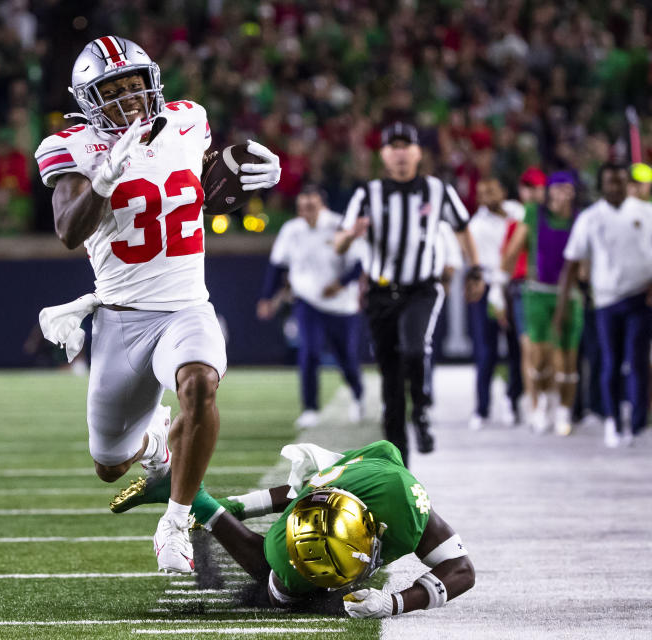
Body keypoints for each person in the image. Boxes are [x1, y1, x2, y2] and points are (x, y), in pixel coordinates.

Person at [34, 36, 281, 574]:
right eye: (113, 91)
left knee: (200, 383)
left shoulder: (188, 120)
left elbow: (206, 179)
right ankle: (153, 448)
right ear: (89, 99)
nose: (130, 100)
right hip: (121, 321)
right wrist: (100, 184)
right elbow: (67, 231)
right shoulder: (71, 148)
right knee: (109, 464)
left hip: (186, 307)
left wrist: (253, 173)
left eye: (134, 86)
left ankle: (175, 520)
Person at [113, 440, 474, 618]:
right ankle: (200, 499)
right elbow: (299, 490)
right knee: (281, 590)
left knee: (293, 582)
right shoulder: (316, 497)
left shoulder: (407, 515)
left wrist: (395, 603)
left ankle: (193, 495)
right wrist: (239, 505)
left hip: (376, 472)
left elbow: (462, 571)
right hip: (345, 481)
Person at [334, 122, 484, 465]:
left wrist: (475, 269)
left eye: (406, 146)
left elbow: (462, 229)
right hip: (381, 291)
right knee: (389, 373)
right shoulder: (367, 193)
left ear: (418, 153)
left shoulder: (437, 190)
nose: (400, 152)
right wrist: (352, 235)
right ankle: (400, 459)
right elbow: (339, 242)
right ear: (384, 154)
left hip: (422, 287)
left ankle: (423, 407)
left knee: (415, 348)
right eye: (393, 146)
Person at [556, 163, 652, 447]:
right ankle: (612, 419)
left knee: (636, 360)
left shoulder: (645, 211)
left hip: (640, 296)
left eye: (620, 182)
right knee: (610, 362)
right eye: (610, 182)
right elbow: (571, 263)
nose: (615, 188)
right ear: (601, 185)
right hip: (607, 299)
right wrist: (562, 306)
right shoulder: (590, 217)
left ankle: (636, 423)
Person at [257, 185, 365, 429]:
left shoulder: (339, 225)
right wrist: (266, 297)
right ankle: (310, 408)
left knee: (346, 358)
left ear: (322, 206)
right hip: (307, 301)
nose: (306, 212)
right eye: (302, 207)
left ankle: (358, 394)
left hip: (341, 303)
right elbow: (277, 265)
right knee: (309, 351)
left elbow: (359, 263)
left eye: (311, 206)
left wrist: (340, 285)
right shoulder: (292, 229)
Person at [502, 171, 583, 437]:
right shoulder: (533, 214)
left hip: (569, 295)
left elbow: (585, 263)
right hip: (536, 293)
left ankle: (564, 412)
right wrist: (498, 286)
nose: (562, 195)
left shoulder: (579, 219)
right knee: (539, 356)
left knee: (568, 359)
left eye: (568, 189)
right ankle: (539, 405)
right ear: (549, 192)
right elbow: (513, 250)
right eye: (557, 189)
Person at [466, 178, 526, 430]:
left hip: (516, 287)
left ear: (503, 190)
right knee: (486, 351)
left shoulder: (518, 212)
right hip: (489, 288)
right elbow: (476, 264)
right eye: (481, 192)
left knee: (517, 349)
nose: (487, 195)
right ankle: (482, 408)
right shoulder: (476, 225)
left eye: (491, 188)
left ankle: (512, 401)